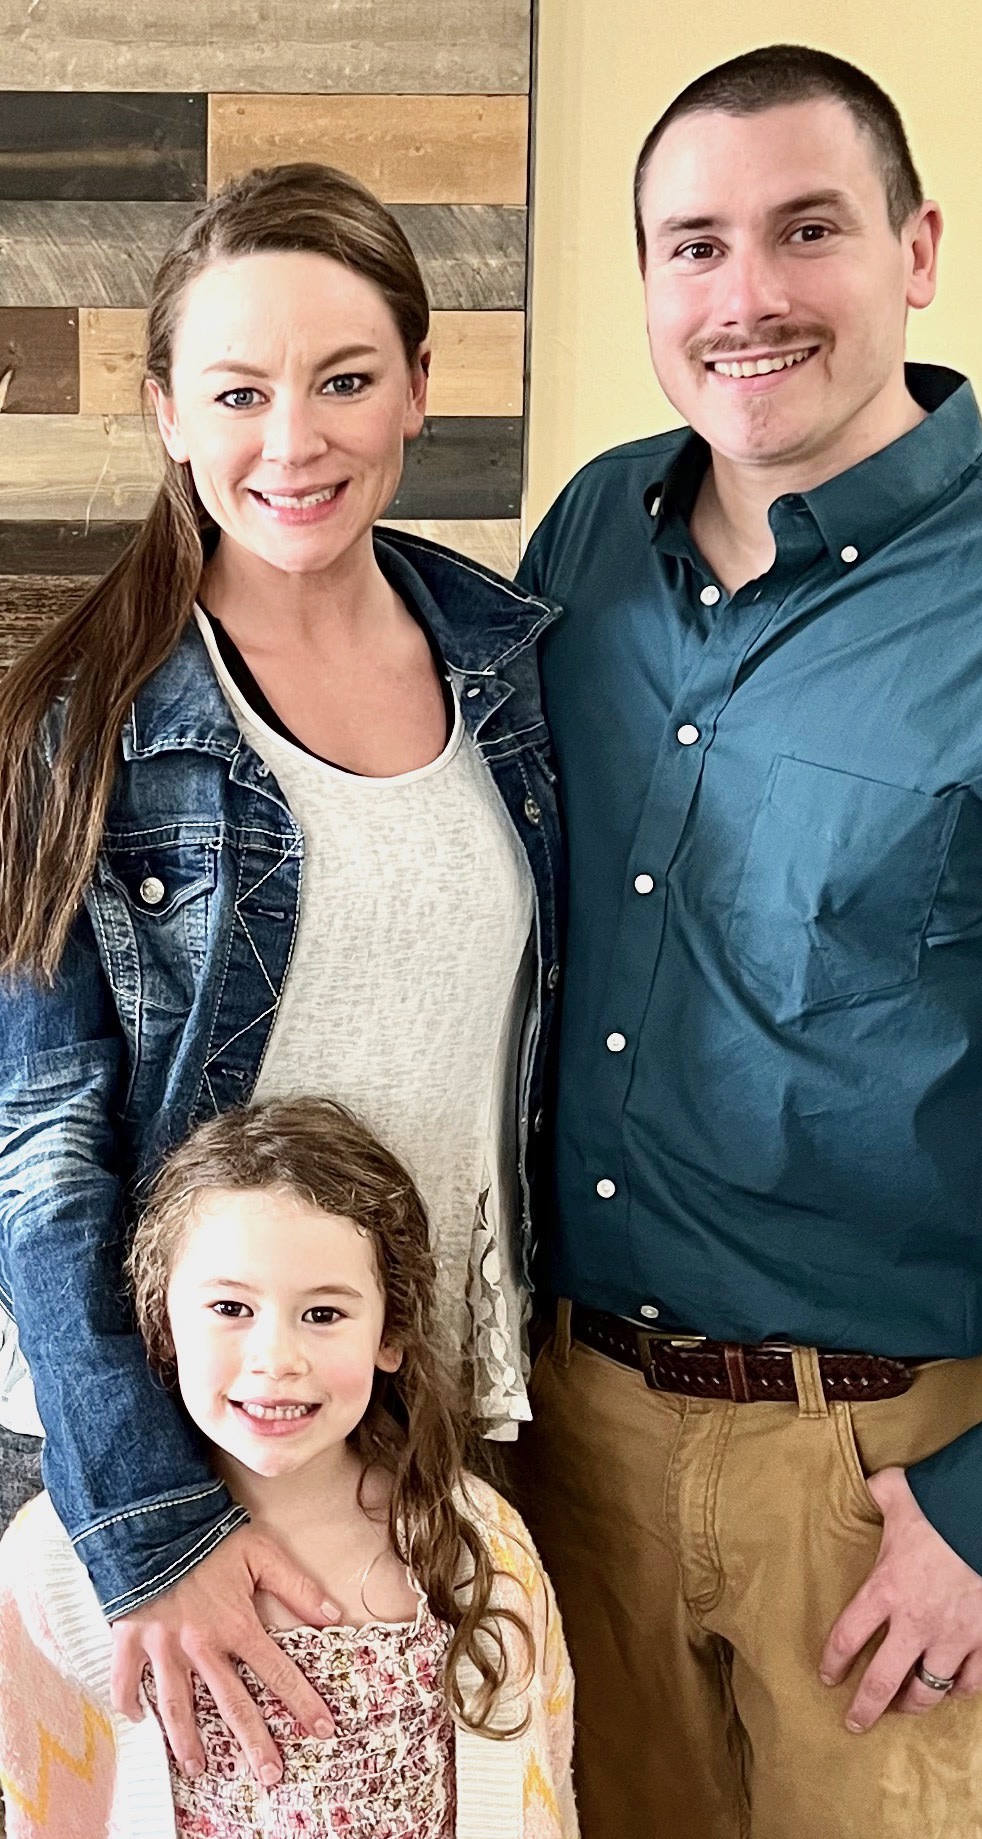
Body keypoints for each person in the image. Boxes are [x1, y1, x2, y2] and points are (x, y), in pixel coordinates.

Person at [513, 42, 982, 1839]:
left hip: (884, 1466)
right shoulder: (592, 535)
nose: (746, 296)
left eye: (807, 229)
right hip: (576, 1429)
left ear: (916, 248)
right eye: (694, 245)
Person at [0, 162, 562, 1791]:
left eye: (344, 379)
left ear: (419, 388)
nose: (293, 439)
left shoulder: (513, 669)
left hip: (430, 1397)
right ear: (168, 410)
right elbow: (39, 1154)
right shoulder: (81, 725)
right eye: (239, 390)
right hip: (187, 1426)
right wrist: (147, 1515)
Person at [0, 1097, 576, 1837]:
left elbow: (539, 1781)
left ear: (391, 1333)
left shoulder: (475, 1541)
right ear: (162, 1324)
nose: (276, 1358)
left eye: (323, 1314)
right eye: (231, 1308)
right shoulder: (55, 1565)